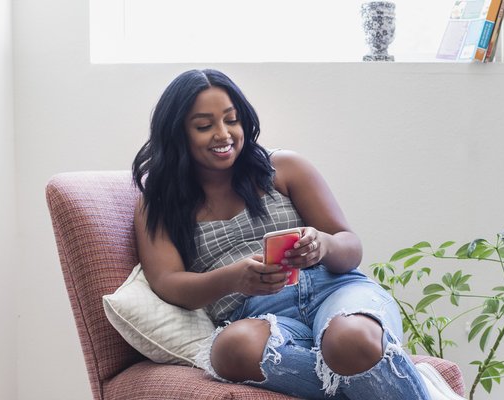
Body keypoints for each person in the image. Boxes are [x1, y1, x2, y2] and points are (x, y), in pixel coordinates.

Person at [131, 69, 447, 399]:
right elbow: (168, 284)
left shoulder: (283, 168)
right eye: (204, 126)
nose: (223, 134)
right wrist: (233, 278)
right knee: (230, 349)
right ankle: (400, 377)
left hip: (334, 291)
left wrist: (323, 245)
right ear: (177, 133)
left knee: (349, 339)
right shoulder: (159, 205)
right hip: (257, 316)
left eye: (231, 120)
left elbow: (350, 246)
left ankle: (364, 360)